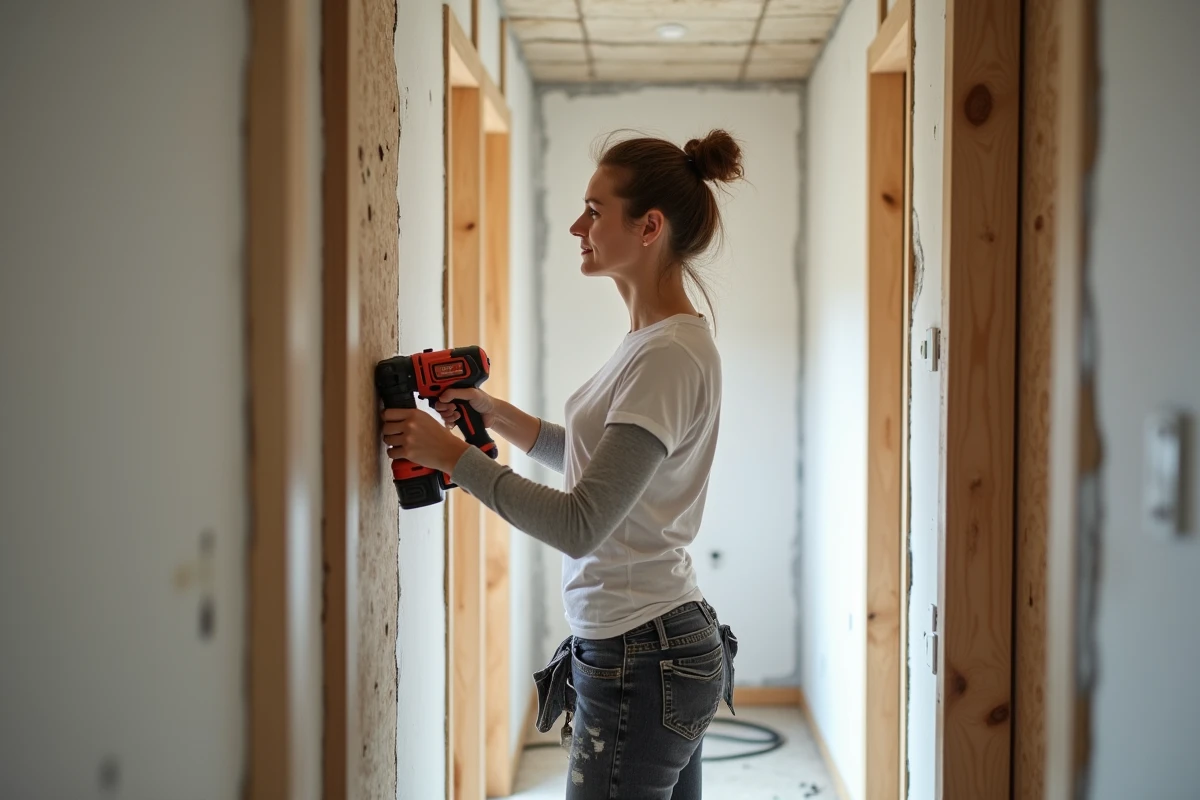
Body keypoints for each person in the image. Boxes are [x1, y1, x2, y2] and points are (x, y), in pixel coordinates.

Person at [380, 128, 743, 799]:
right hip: (659, 641)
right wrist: (497, 417)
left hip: (645, 652)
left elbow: (581, 522)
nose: (578, 226)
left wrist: (451, 456)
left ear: (649, 227)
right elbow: (603, 465)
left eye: (595, 211)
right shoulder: (652, 341)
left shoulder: (668, 355)